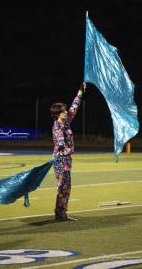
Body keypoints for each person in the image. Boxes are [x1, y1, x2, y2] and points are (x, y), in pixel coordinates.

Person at [50, 82, 87, 221]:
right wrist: (62, 148)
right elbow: (60, 140)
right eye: (64, 111)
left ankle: (61, 212)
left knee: (66, 187)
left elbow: (74, 107)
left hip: (66, 159)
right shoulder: (57, 127)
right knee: (63, 186)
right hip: (60, 159)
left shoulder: (66, 123)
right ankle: (60, 213)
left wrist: (80, 91)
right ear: (58, 115)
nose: (67, 112)